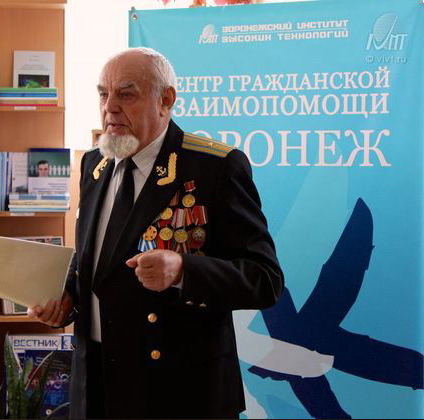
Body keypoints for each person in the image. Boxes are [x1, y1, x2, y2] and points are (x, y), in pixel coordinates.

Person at [28, 47, 284, 419]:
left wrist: (183, 271)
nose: (110, 108)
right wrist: (67, 297)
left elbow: (265, 279)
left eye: (126, 94)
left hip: (178, 391)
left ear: (165, 100)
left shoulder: (214, 167)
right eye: (103, 94)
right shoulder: (94, 163)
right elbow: (96, 261)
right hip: (96, 384)